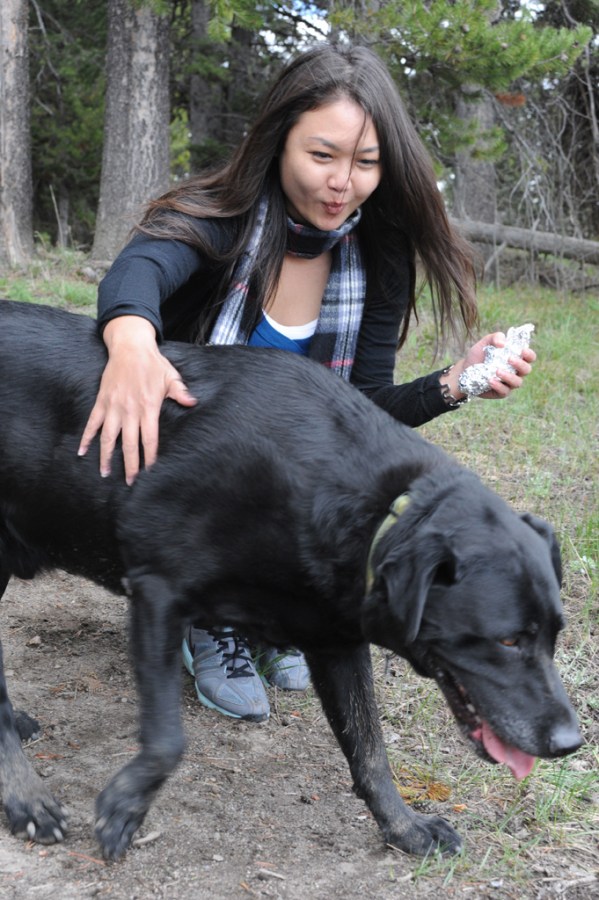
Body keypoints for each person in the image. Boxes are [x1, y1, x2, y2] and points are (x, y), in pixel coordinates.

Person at [78, 43, 535, 723]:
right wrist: (133, 341)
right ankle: (210, 616)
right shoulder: (224, 219)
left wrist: (455, 381)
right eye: (321, 156)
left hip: (266, 479)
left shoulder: (374, 258)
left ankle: (267, 613)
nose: (341, 183)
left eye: (365, 163)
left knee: (332, 473)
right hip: (180, 462)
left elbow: (363, 409)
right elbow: (137, 273)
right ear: (278, 140)